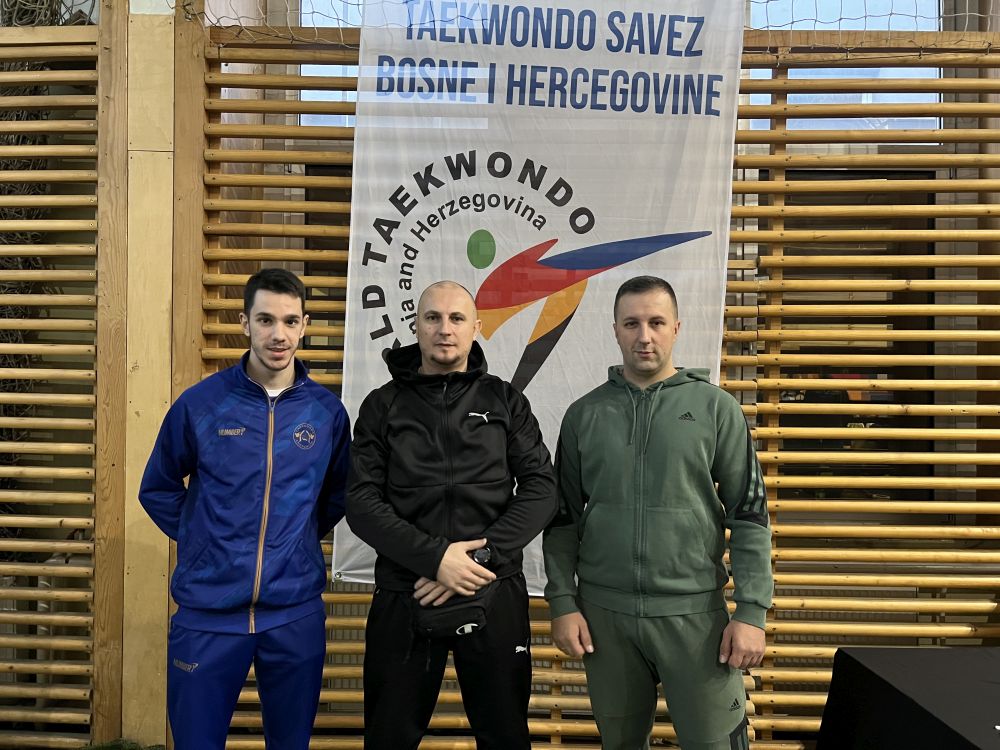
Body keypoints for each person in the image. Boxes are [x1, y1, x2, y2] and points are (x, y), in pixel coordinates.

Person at [543, 275, 773, 750]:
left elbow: (749, 516)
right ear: (615, 330)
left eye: (656, 322)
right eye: (631, 323)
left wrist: (752, 611)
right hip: (605, 619)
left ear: (676, 328)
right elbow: (562, 519)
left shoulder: (717, 409)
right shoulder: (584, 415)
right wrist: (563, 601)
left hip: (695, 618)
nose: (644, 336)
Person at [139, 268, 351, 750]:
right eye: (265, 320)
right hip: (208, 613)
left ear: (305, 325)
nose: (279, 334)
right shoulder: (201, 404)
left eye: (290, 321)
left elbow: (337, 494)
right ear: (245, 323)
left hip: (294, 614)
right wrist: (204, 541)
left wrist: (293, 542)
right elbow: (158, 487)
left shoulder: (326, 413)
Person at [346, 280, 557, 750]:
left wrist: (475, 562)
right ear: (416, 326)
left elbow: (543, 490)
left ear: (476, 327)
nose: (445, 329)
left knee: (505, 737)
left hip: (493, 590)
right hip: (407, 592)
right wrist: (435, 560)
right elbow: (361, 502)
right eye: (433, 318)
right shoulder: (382, 405)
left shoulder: (506, 400)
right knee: (388, 738)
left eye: (457, 318)